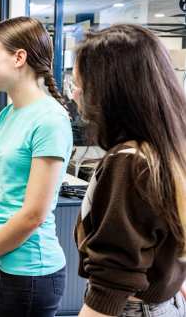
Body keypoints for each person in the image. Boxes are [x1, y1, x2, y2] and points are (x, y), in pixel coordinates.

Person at [71, 24, 186, 317]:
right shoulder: (166, 149)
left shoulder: (129, 163)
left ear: (111, 92)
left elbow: (113, 279)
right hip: (165, 303)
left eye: (81, 85)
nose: (75, 95)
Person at [0, 16, 72, 317]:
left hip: (29, 272)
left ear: (19, 57)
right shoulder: (7, 114)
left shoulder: (50, 121)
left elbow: (33, 215)